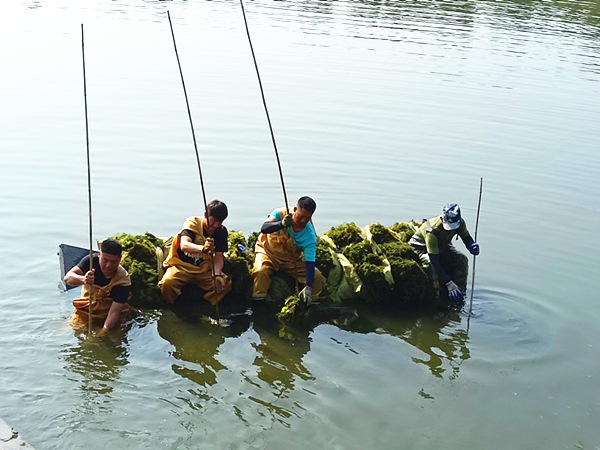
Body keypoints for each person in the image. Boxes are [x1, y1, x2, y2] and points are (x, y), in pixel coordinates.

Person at [159, 200, 232, 305]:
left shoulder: (221, 231)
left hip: (203, 268)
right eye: (214, 220)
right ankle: (173, 305)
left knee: (225, 283)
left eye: (220, 222)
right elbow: (184, 245)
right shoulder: (192, 223)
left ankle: (206, 305)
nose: (216, 225)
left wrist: (216, 274)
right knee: (168, 283)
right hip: (182, 266)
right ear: (206, 215)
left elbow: (219, 256)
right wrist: (202, 248)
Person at [252, 196, 322, 304]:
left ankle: (311, 302)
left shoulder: (309, 236)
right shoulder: (281, 213)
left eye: (307, 218)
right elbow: (264, 228)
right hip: (267, 251)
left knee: (316, 276)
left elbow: (310, 263)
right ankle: (258, 302)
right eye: (301, 216)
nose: (303, 220)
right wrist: (281, 224)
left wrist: (308, 286)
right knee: (261, 272)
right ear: (294, 210)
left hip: (290, 259)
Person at [408, 203, 480, 301]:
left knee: (462, 260)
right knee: (430, 266)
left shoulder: (460, 223)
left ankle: (460, 292)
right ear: (443, 219)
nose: (451, 230)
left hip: (442, 246)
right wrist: (449, 282)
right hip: (420, 248)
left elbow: (466, 238)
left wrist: (472, 245)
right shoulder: (431, 230)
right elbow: (434, 260)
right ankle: (436, 298)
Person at [64, 239, 131, 331]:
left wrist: (104, 331)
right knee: (68, 330)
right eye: (105, 260)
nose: (108, 265)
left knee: (109, 337)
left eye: (114, 262)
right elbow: (68, 278)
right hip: (87, 309)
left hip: (109, 314)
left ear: (120, 259)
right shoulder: (91, 262)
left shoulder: (123, 279)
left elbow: (114, 312)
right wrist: (83, 279)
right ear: (99, 254)